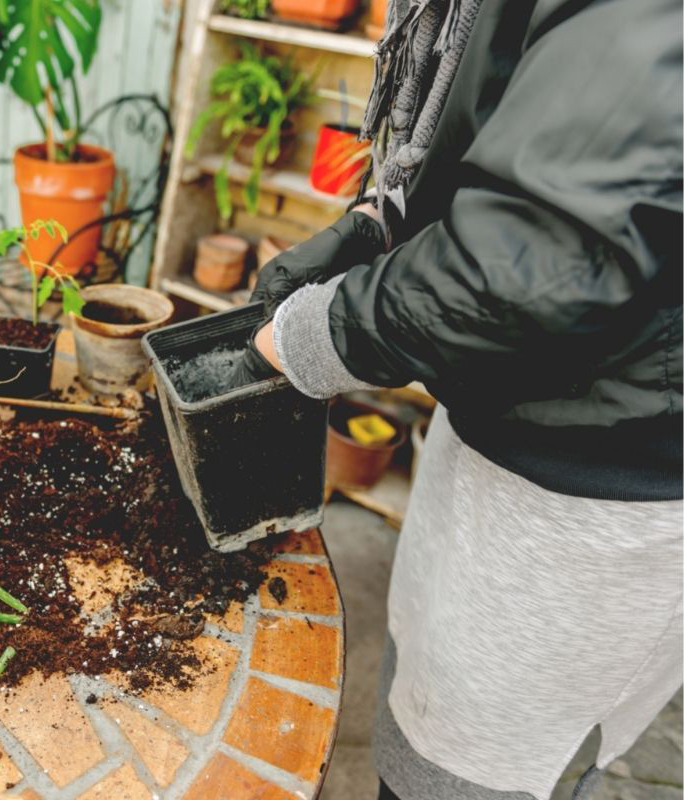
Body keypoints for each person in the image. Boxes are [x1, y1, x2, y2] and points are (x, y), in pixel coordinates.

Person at [230, 0, 683, 797]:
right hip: (499, 417)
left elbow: (537, 261)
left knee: (473, 774)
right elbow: (525, 115)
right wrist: (388, 219)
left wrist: (318, 337)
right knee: (420, 709)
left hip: (595, 495)